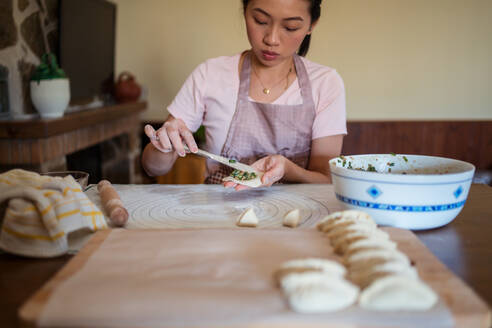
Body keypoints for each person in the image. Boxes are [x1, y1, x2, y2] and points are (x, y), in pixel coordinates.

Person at [142, 0, 346, 190]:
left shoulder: (325, 82)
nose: (271, 39)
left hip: (295, 222)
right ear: (245, 11)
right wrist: (163, 147)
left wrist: (288, 168)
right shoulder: (210, 74)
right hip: (219, 219)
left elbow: (326, 180)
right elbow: (153, 168)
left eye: (290, 27)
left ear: (312, 24)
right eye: (260, 21)